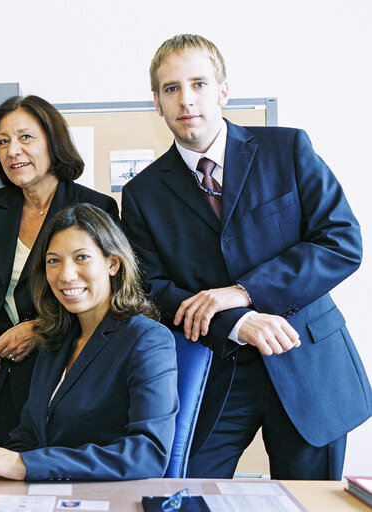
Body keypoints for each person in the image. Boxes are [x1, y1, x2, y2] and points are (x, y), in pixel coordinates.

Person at [120, 34, 372, 480]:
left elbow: (341, 242)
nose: (186, 100)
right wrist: (235, 321)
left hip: (305, 363)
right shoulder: (142, 195)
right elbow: (151, 291)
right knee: (184, 494)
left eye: (198, 83)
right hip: (215, 369)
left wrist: (242, 293)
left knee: (307, 504)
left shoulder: (288, 149)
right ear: (157, 103)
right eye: (171, 88)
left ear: (223, 90)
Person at [0, 204, 178, 481]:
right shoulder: (56, 338)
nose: (66, 275)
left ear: (112, 263)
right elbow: (28, 436)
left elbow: (148, 455)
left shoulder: (147, 339)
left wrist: (29, 465)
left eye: (81, 257)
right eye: (53, 261)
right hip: (47, 492)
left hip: (104, 497)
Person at [0, 96, 119, 452]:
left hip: (60, 378)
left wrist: (39, 328)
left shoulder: (94, 208)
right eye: (3, 142)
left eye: (25, 138)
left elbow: (105, 298)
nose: (13, 150)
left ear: (53, 141)